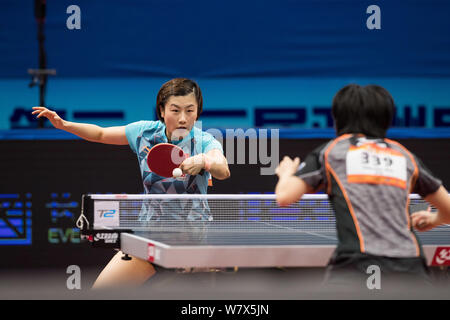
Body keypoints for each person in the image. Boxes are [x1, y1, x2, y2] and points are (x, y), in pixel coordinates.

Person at [32, 78, 231, 288]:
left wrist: (204, 160)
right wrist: (64, 125)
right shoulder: (144, 133)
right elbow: (100, 134)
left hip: (194, 242)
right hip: (149, 239)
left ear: (198, 112)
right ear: (162, 111)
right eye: (175, 110)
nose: (183, 118)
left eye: (190, 111)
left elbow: (223, 169)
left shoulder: (205, 141)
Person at [274, 84, 450, 290]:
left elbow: (284, 197)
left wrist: (285, 173)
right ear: (386, 119)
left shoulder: (332, 152)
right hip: (411, 267)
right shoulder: (404, 156)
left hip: (359, 264)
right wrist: (434, 219)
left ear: (339, 118)